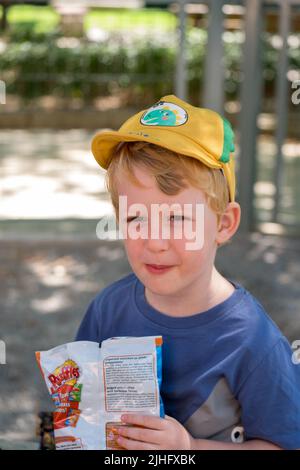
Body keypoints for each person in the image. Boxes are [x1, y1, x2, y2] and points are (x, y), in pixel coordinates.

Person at [76, 95, 300, 450]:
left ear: (224, 225)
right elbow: (81, 404)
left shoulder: (255, 343)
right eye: (136, 218)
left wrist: (190, 448)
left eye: (178, 219)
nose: (155, 242)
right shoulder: (108, 309)